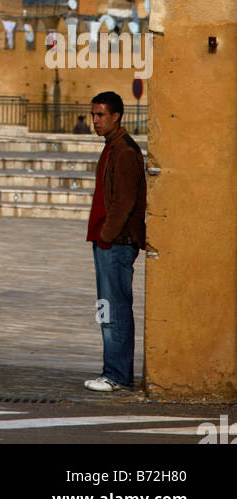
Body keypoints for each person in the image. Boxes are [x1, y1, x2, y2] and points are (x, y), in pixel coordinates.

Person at [85, 90, 146, 392]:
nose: (94, 120)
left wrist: (107, 235)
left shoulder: (124, 151)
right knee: (108, 308)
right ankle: (113, 371)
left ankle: (118, 375)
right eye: (93, 114)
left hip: (117, 242)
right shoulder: (113, 146)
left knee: (116, 308)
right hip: (107, 240)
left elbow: (125, 200)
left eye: (100, 115)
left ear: (116, 116)